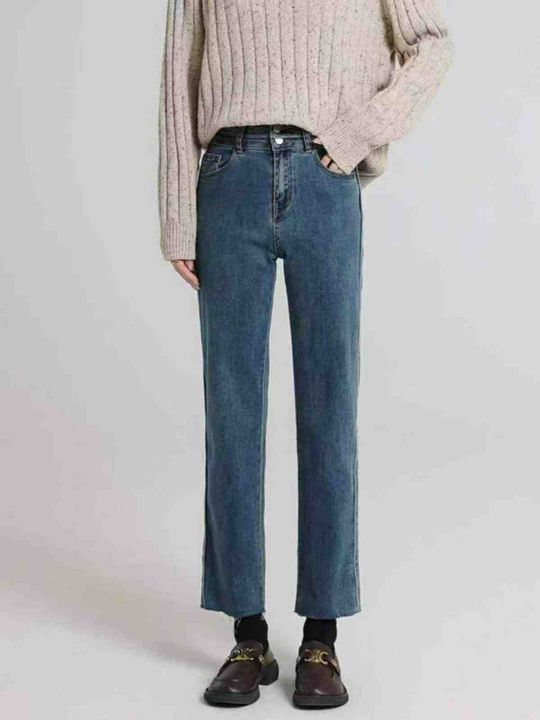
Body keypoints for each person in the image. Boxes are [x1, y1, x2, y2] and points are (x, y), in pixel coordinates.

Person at [158, 0, 453, 708]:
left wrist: (357, 133)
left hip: (325, 180)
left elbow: (432, 45)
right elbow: (177, 77)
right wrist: (176, 215)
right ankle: (248, 637)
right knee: (232, 415)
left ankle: (322, 637)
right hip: (228, 178)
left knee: (329, 408)